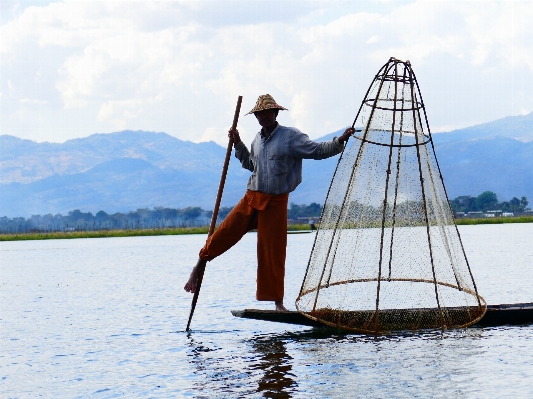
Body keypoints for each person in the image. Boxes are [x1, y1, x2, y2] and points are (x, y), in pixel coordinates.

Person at [184, 94, 354, 311]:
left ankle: (278, 302)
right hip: (252, 196)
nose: (262, 117)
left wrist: (339, 141)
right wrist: (237, 143)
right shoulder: (257, 140)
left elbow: (317, 151)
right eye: (259, 114)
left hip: (275, 201)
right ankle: (198, 266)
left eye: (266, 113)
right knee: (224, 232)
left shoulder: (291, 137)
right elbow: (250, 164)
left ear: (275, 113)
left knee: (273, 252)